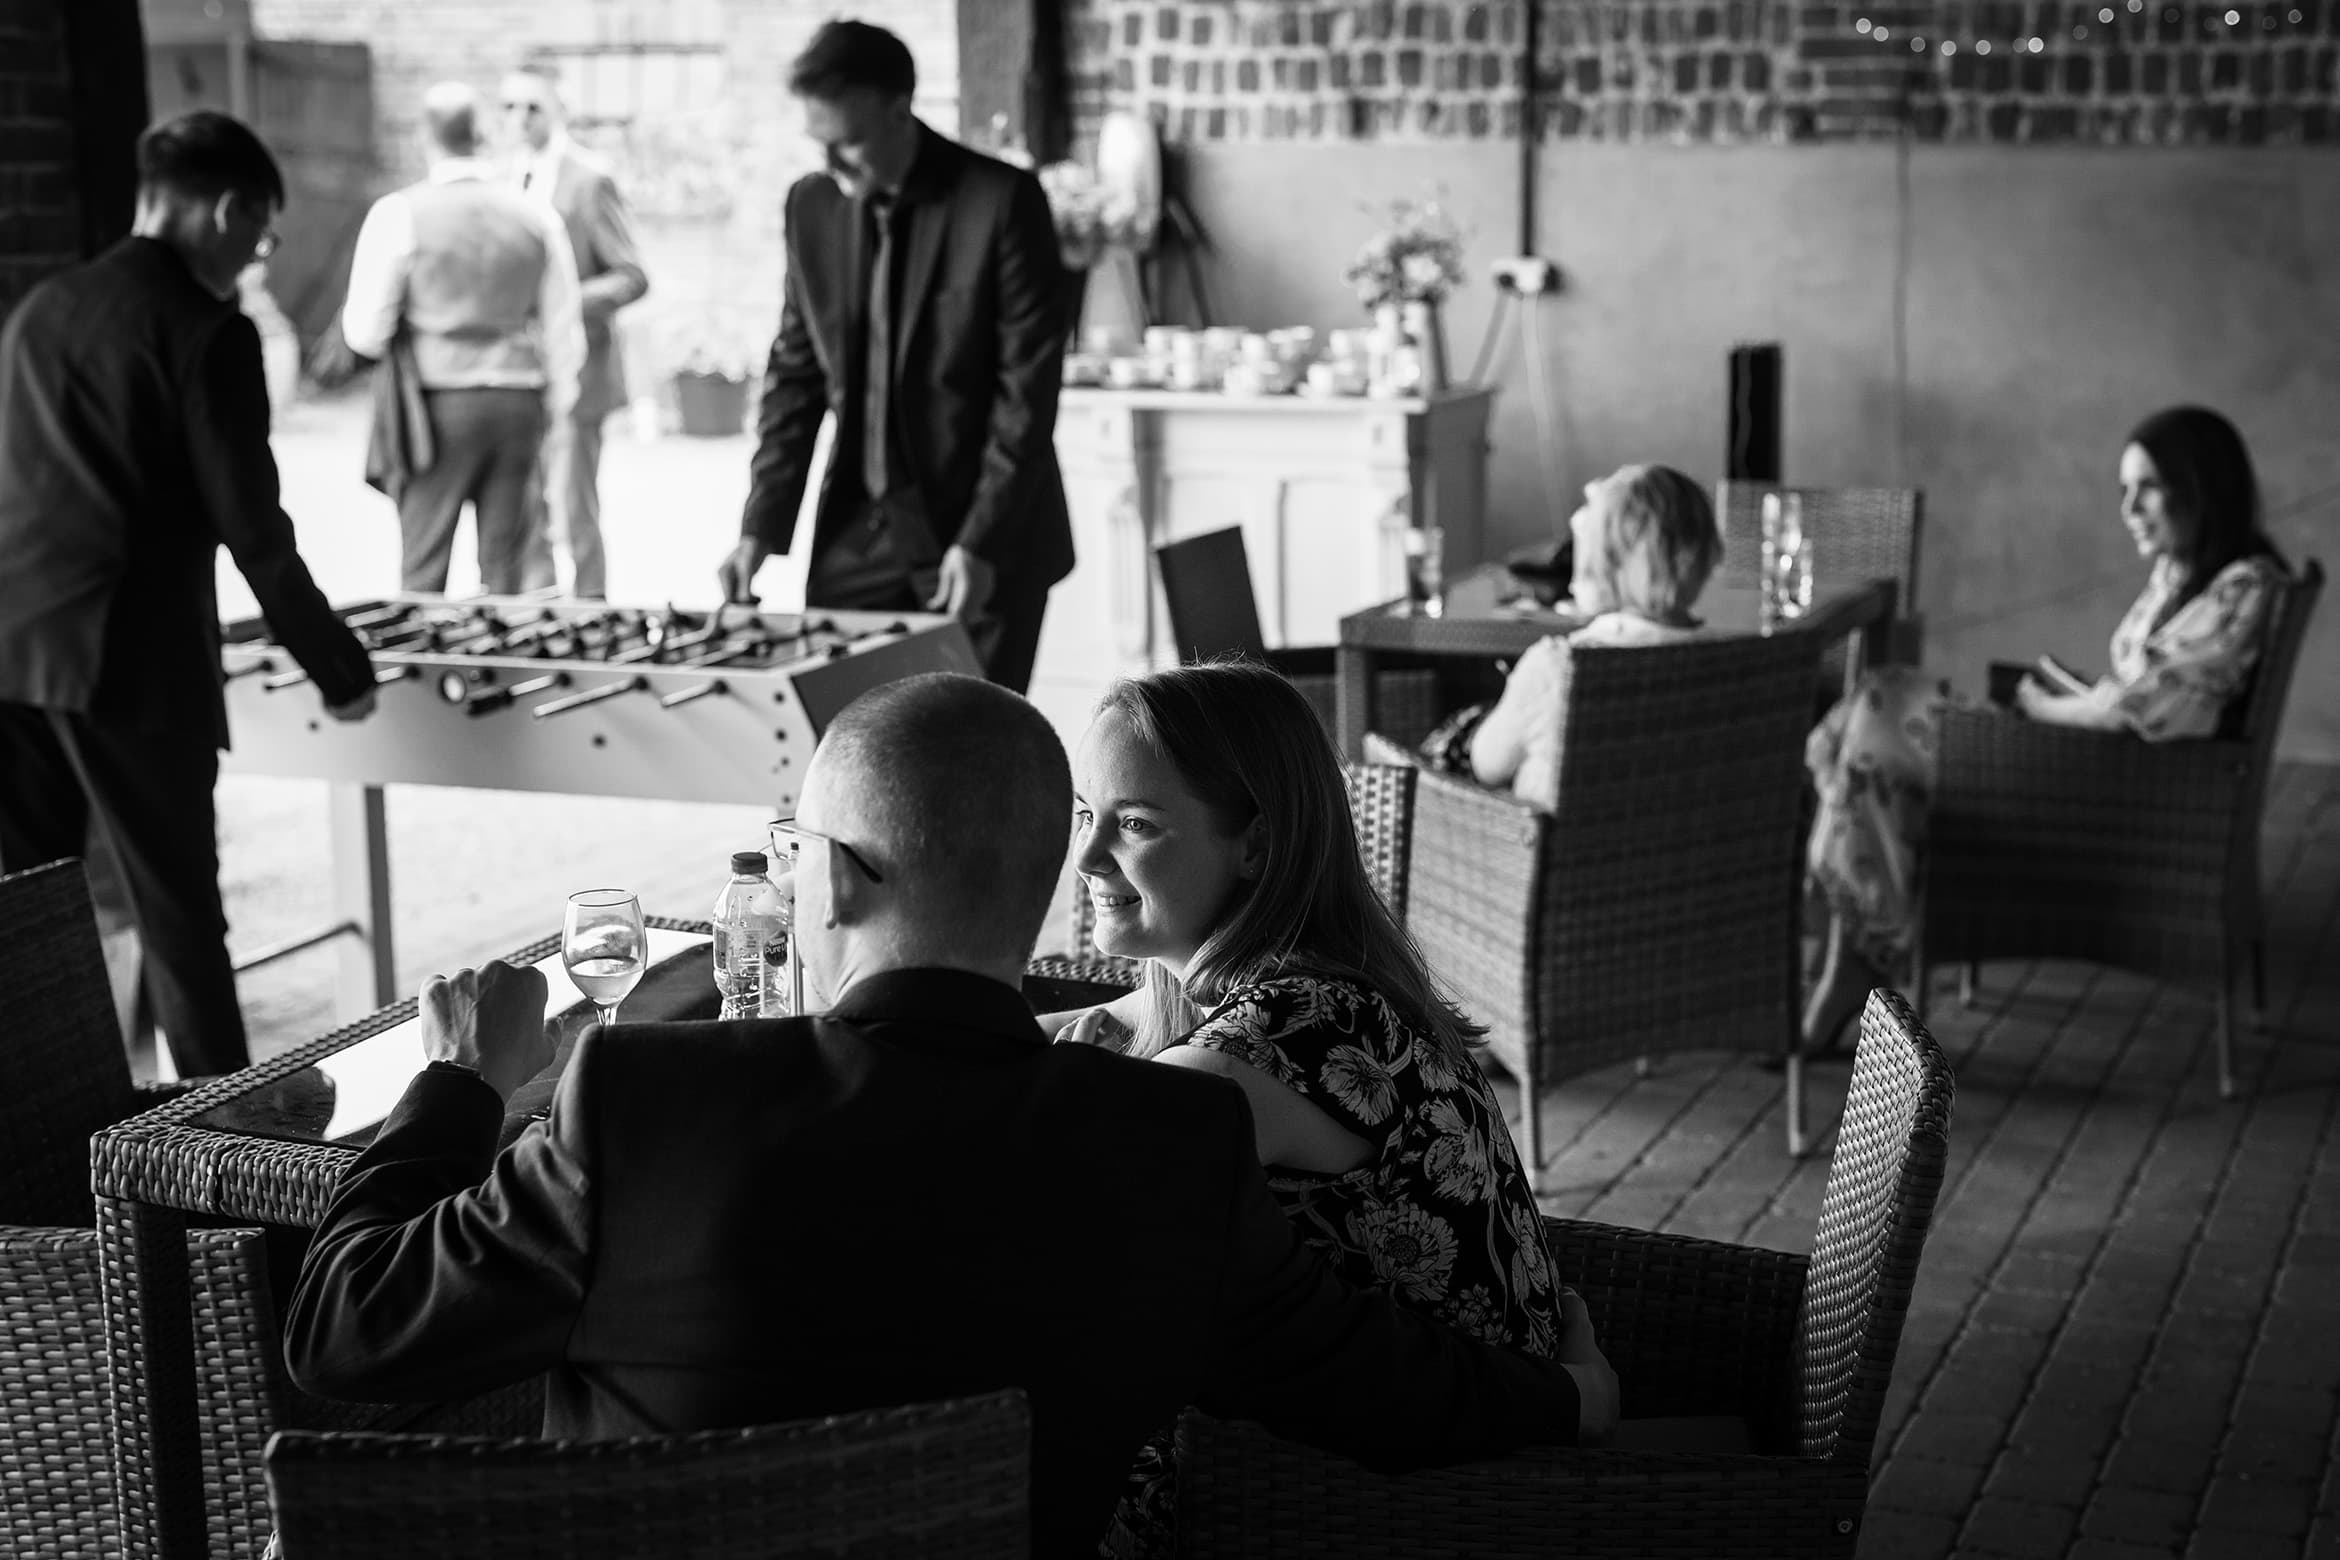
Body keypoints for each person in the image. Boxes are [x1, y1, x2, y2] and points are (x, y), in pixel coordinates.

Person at [280, 673, 1617, 1560]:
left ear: (839, 879)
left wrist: (452, 1085)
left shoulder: (642, 1104)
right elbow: (1377, 1384)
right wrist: (1568, 1403)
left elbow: (343, 1332)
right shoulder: (1171, 1148)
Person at [1042, 661, 1566, 1556]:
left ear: (1256, 845)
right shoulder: (1297, 979)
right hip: (1417, 1422)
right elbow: (1077, 1030)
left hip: (1413, 1482)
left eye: (1134, 825)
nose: (1086, 857)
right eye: (1086, 815)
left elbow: (1062, 1195)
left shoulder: (1294, 1033)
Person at [0, 111, 377, 1076]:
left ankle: (50, 1145)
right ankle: (222, 1163)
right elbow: (254, 530)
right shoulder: (208, 333)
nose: (259, 253)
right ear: (228, 208)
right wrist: (336, 665)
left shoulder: (43, 309)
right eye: (263, 233)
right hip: (129, 661)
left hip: (14, 648)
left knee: (31, 918)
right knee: (180, 922)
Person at [1802, 405, 2290, 1055]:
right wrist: (2067, 699)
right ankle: (1863, 937)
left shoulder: (2245, 585)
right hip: (2091, 765)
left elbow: (2145, 708)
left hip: (2099, 789)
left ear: (2201, 486)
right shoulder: (2189, 574)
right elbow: (2142, 691)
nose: (2129, 509)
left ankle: (1864, 939)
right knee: (1868, 715)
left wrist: (2042, 709)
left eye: (2147, 488)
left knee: (1870, 721)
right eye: (2124, 489)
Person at [716, 20, 1073, 694]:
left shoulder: (1001, 202)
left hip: (982, 532)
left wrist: (982, 541)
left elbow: (1025, 396)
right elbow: (795, 376)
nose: (831, 165)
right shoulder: (812, 205)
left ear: (898, 105)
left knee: (974, 757)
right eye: (819, 144)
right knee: (843, 746)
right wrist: (760, 526)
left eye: (846, 143)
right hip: (859, 529)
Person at [341, 81, 585, 595]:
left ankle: (421, 673)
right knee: (505, 573)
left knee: (424, 569)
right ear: (485, 136)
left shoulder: (399, 214)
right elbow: (564, 333)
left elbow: (364, 334)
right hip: (518, 404)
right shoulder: (536, 215)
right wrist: (555, 408)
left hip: (435, 409)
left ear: (422, 138)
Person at [1423, 464, 1721, 810]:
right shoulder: (1735, 664)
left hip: (1543, 858)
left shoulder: (1556, 668)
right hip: (1696, 857)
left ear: (1602, 561)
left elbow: (1486, 764)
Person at [502, 64, 649, 601]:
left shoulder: (590, 180)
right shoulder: (502, 179)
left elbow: (632, 277)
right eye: (510, 107)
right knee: (524, 507)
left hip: (579, 371)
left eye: (532, 107)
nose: (519, 119)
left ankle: (592, 613)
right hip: (519, 376)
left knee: (574, 510)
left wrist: (560, 304)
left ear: (559, 111)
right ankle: (539, 614)